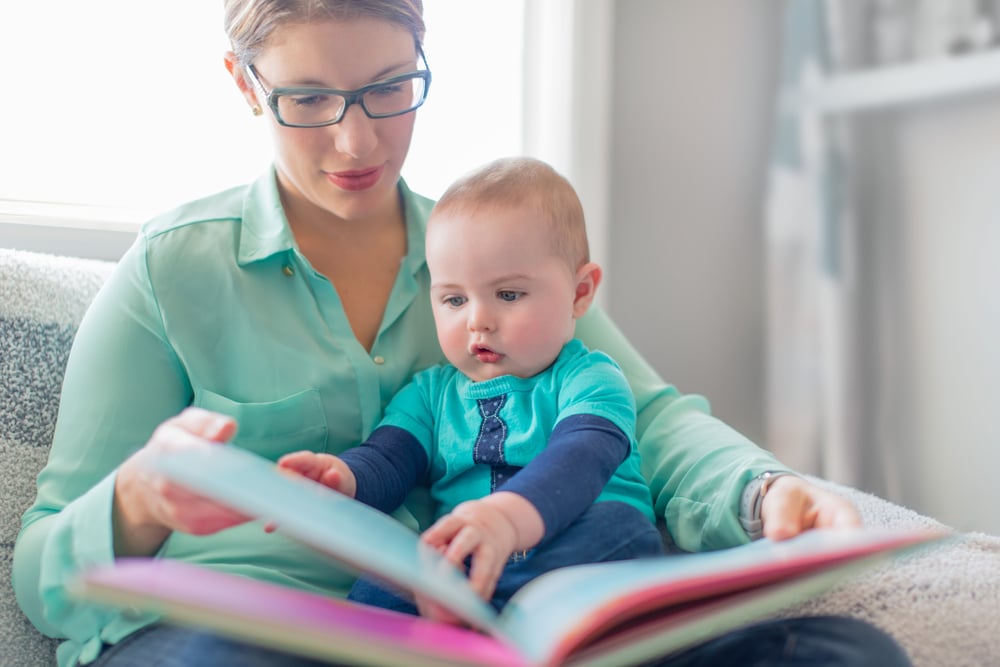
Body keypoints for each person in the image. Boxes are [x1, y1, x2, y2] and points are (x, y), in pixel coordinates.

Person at [11, 1, 910, 666]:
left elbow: (649, 420)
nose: (356, 140)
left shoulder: (496, 256)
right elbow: (41, 570)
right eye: (311, 99)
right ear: (245, 83)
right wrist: (141, 498)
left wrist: (761, 493)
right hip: (245, 635)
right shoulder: (172, 270)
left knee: (838, 651)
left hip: (475, 620)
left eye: (389, 89)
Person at [278, 156, 665, 618]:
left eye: (508, 295)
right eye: (455, 299)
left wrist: (505, 518)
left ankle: (485, 612)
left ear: (580, 293)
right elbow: (387, 459)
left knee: (624, 530)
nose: (478, 320)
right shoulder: (429, 395)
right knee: (376, 588)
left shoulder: (588, 378)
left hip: (571, 554)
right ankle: (461, 620)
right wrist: (342, 479)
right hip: (466, 566)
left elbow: (582, 457)